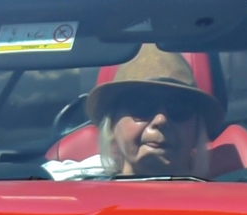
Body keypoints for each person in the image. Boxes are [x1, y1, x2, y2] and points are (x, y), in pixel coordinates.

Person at [38, 44, 222, 180]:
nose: (161, 119)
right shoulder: (61, 186)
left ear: (197, 129)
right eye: (142, 105)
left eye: (179, 107)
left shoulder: (226, 206)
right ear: (111, 124)